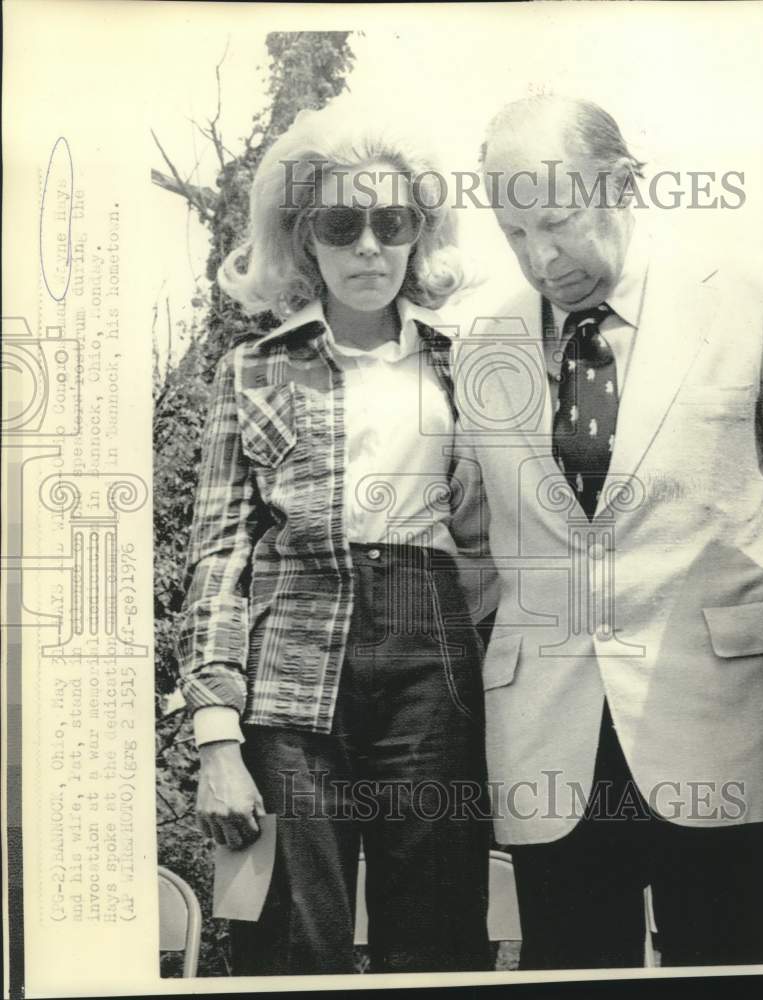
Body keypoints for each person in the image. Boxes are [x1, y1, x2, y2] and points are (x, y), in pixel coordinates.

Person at [458, 93, 763, 969]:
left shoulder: (756, 301)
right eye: (512, 233)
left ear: (623, 183)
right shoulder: (476, 344)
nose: (540, 257)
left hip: (724, 726)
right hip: (546, 737)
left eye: (557, 220)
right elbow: (468, 541)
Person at [176, 100, 492, 976]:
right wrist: (216, 740)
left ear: (418, 233)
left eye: (390, 222)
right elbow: (216, 559)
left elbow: (499, 541)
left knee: (434, 938)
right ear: (301, 238)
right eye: (339, 223)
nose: (366, 247)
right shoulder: (251, 370)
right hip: (289, 683)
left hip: (432, 673)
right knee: (289, 939)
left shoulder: (464, 362)